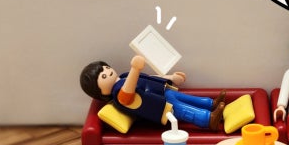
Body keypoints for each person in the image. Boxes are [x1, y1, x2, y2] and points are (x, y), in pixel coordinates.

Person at [80, 56, 225, 130]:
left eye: (106, 68)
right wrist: (135, 68)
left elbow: (149, 78)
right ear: (100, 92)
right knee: (183, 110)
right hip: (161, 107)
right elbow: (127, 94)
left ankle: (211, 104)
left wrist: (171, 77)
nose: (108, 72)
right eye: (103, 76)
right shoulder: (119, 94)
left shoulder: (124, 76)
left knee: (188, 98)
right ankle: (208, 120)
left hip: (163, 92)